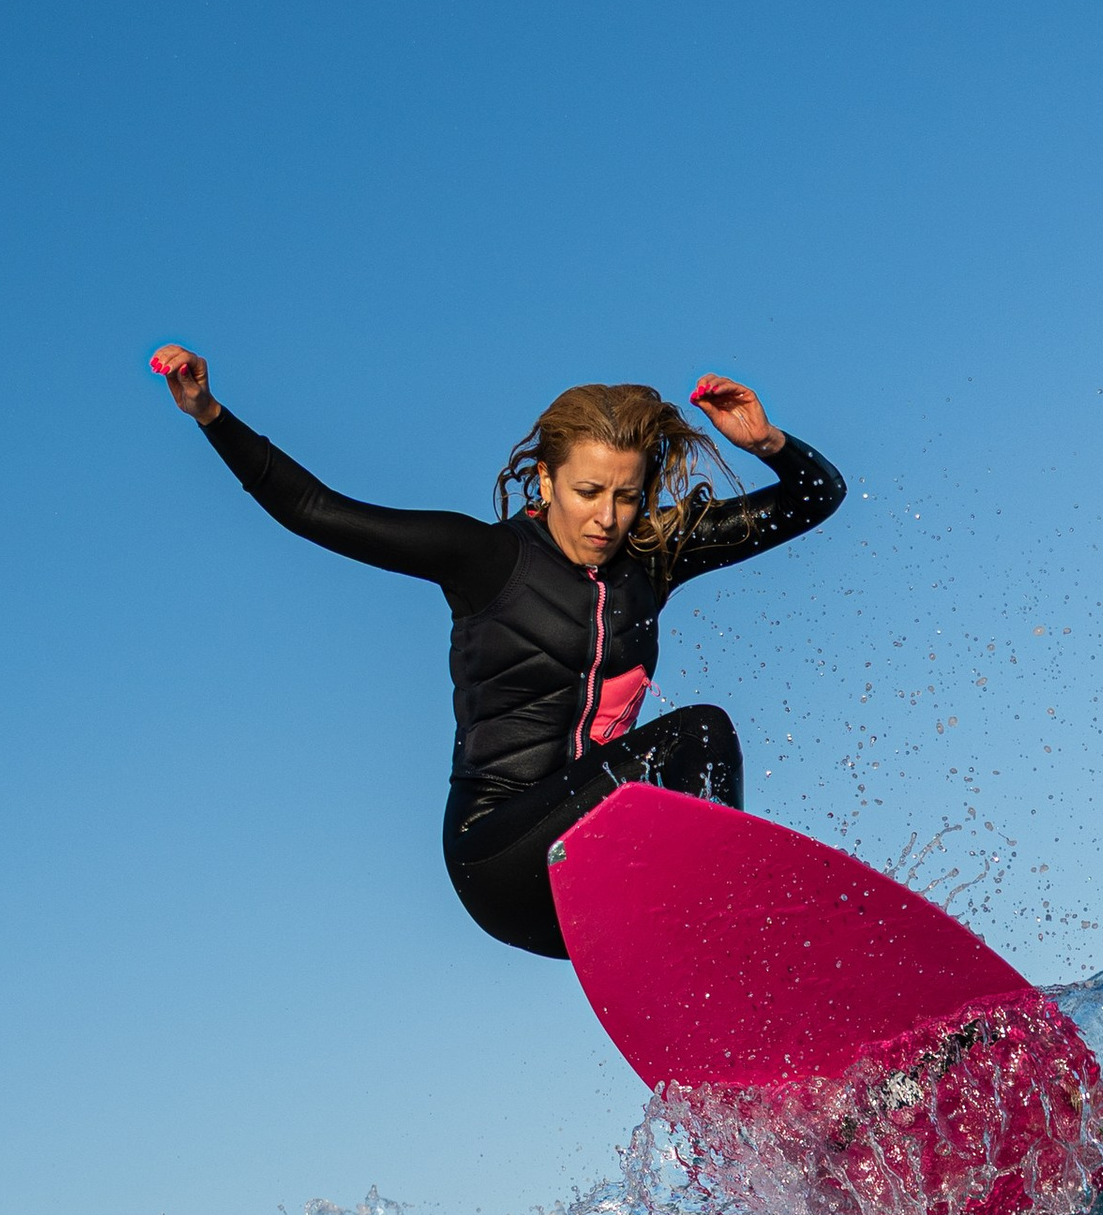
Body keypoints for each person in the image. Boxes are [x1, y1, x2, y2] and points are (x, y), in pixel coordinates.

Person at [150, 347, 845, 958]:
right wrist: (211, 415)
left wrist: (768, 442)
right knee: (698, 731)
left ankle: (756, 981)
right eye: (587, 492)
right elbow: (315, 509)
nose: (606, 517)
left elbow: (817, 496)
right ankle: (735, 931)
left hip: (601, 866)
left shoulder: (653, 560)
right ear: (545, 480)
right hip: (502, 859)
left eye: (627, 496)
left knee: (697, 793)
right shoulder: (485, 558)